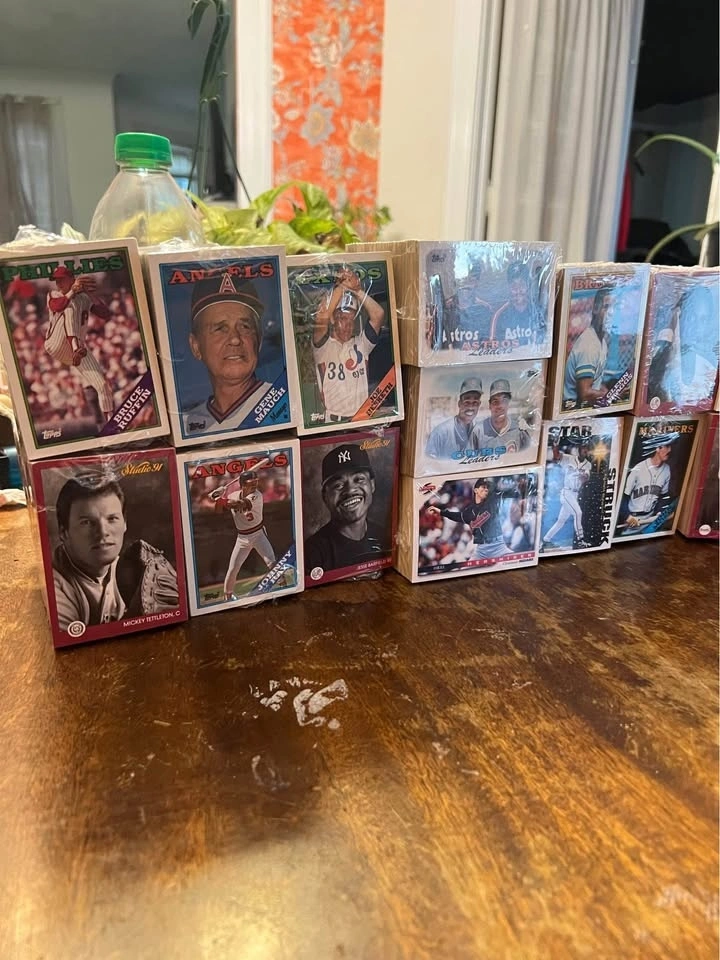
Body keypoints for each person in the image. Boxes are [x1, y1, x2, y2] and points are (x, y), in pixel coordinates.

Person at [183, 273, 272, 435]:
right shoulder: (186, 425)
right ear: (196, 347)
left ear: (258, 340)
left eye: (245, 327)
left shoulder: (281, 403)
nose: (235, 339)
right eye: (220, 328)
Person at [52, 476, 128, 629]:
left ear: (125, 524)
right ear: (63, 532)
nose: (103, 532)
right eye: (86, 522)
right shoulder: (55, 587)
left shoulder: (135, 569)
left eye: (112, 518)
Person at [312, 267, 386, 423]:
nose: (348, 325)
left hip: (361, 420)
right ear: (334, 319)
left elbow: (378, 315)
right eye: (343, 319)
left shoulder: (361, 344)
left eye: (351, 319)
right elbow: (321, 317)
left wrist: (357, 290)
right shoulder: (323, 347)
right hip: (332, 422)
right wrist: (343, 286)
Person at [44, 265, 114, 428]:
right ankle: (76, 347)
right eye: (56, 280)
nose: (58, 283)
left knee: (103, 385)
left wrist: (90, 294)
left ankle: (112, 425)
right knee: (70, 305)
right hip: (56, 343)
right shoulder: (53, 294)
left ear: (72, 279)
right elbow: (57, 306)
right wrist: (73, 291)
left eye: (61, 279)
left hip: (77, 352)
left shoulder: (84, 297)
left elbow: (106, 314)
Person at [305, 444, 387, 574]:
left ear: (372, 484)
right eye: (338, 485)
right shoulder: (313, 553)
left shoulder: (384, 536)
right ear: (325, 496)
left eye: (359, 479)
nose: (350, 490)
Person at [647, 284, 718, 407]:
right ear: (679, 315)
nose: (696, 326)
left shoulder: (710, 367)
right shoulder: (657, 355)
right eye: (691, 317)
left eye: (703, 320)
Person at [214, 468, 277, 600]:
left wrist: (221, 499)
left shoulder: (257, 495)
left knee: (271, 563)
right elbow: (218, 512)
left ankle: (284, 586)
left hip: (258, 534)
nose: (254, 484)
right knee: (233, 568)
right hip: (242, 538)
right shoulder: (232, 495)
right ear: (242, 484)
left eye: (256, 481)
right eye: (251, 482)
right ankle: (228, 596)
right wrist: (217, 499)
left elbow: (239, 504)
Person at [427, 477, 519, 560]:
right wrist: (440, 512)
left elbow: (503, 494)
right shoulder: (470, 512)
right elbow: (456, 516)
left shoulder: (491, 501)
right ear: (476, 490)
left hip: (498, 546)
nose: (486, 489)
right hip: (481, 551)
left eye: (487, 488)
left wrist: (518, 491)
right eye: (483, 487)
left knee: (517, 560)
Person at [616, 433, 677, 533]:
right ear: (657, 448)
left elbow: (663, 496)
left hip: (651, 519)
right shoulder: (638, 468)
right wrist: (627, 516)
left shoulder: (666, 470)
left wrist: (659, 512)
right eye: (667, 446)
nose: (669, 450)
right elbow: (623, 497)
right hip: (633, 520)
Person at [563, 288, 613, 408]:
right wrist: (610, 395)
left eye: (614, 308)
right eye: (606, 307)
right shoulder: (589, 345)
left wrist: (609, 390)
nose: (611, 313)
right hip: (571, 408)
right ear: (595, 309)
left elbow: (594, 385)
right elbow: (585, 394)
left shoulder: (601, 342)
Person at [541, 438, 592, 550]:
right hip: (567, 492)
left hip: (575, 494)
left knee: (561, 521)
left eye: (587, 448)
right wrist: (555, 444)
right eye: (583, 448)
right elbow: (556, 456)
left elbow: (586, 479)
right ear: (579, 449)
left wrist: (582, 476)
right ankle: (581, 540)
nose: (585, 450)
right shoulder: (569, 458)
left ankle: (546, 540)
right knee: (578, 513)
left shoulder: (588, 465)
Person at [425, 377, 483, 461]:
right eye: (467, 402)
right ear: (459, 404)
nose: (471, 407)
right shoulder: (440, 432)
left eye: (475, 403)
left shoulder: (478, 432)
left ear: (479, 405)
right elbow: (428, 463)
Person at [470, 378, 531, 455]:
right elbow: (469, 459)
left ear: (509, 403)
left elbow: (528, 457)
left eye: (504, 400)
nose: (500, 406)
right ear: (490, 405)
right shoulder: (478, 431)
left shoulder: (520, 430)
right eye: (495, 402)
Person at [490, 261, 543, 345]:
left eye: (522, 285)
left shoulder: (538, 313)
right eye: (514, 286)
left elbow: (545, 344)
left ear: (528, 285)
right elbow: (493, 347)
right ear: (508, 288)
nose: (518, 290)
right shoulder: (499, 315)